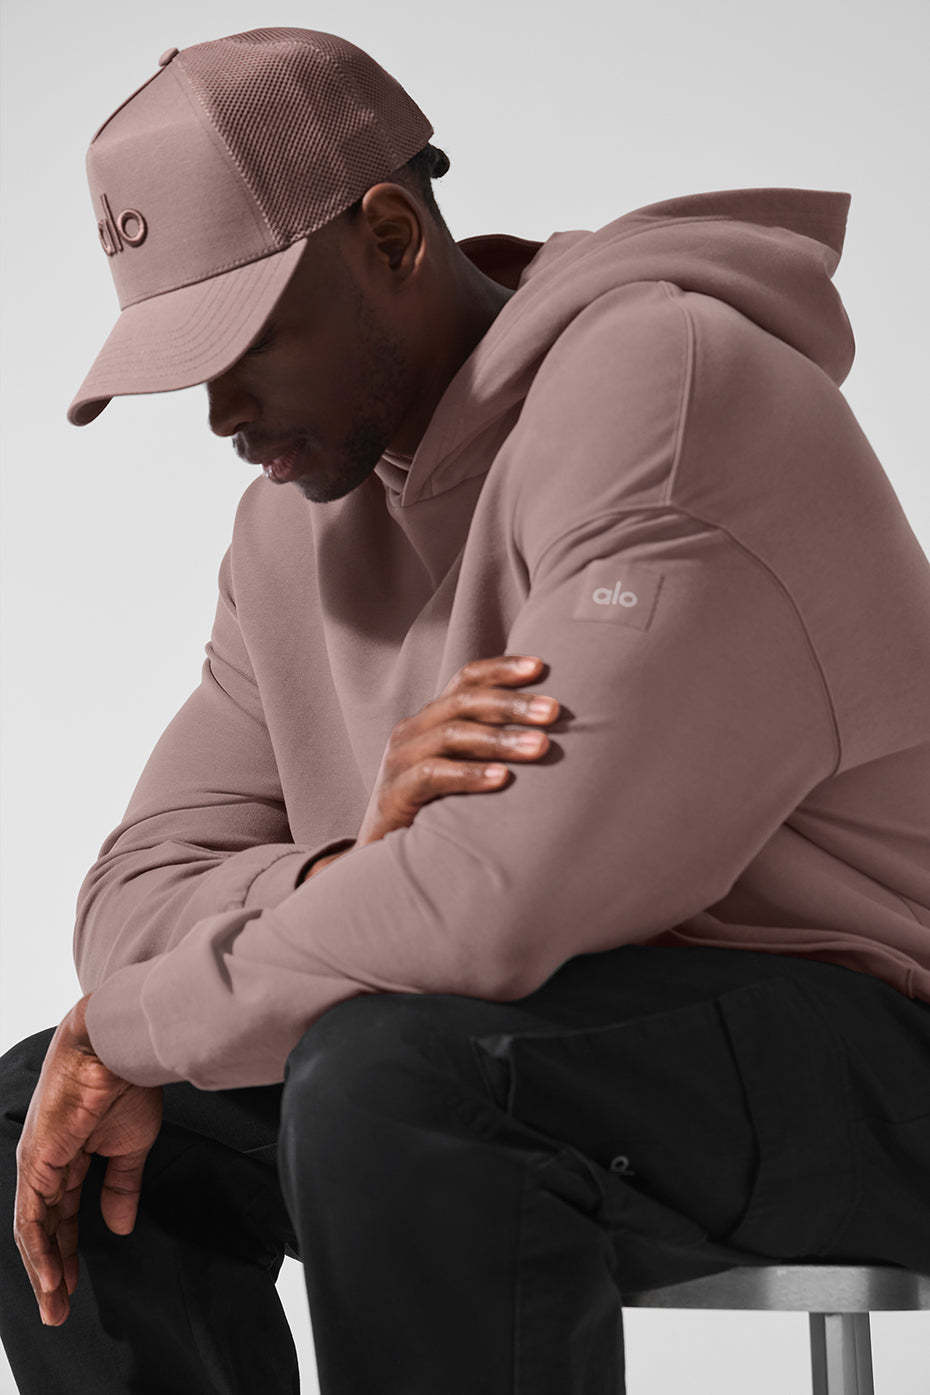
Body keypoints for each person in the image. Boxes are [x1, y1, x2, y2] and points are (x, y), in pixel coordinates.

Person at [3, 23, 930, 1395]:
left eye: (244, 337)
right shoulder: (287, 533)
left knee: (393, 1071)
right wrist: (359, 863)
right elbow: (130, 900)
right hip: (531, 1038)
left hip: (870, 1049)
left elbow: (497, 900)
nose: (218, 413)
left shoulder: (668, 387)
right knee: (42, 1115)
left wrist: (137, 1020)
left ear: (389, 234)